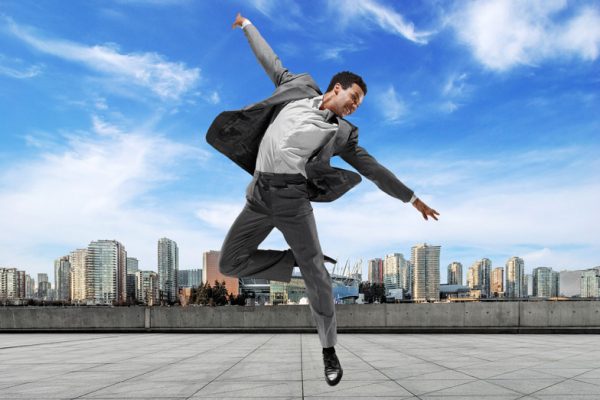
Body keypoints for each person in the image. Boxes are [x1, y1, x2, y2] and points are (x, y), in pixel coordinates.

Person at [206, 13, 440, 386]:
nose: (355, 106)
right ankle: (290, 260)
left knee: (319, 277)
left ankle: (329, 350)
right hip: (259, 195)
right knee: (231, 262)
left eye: (359, 104)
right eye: (354, 97)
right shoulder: (296, 87)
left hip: (292, 198)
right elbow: (272, 61)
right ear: (336, 88)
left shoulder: (344, 135)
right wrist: (248, 27)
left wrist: (412, 198)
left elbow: (374, 169)